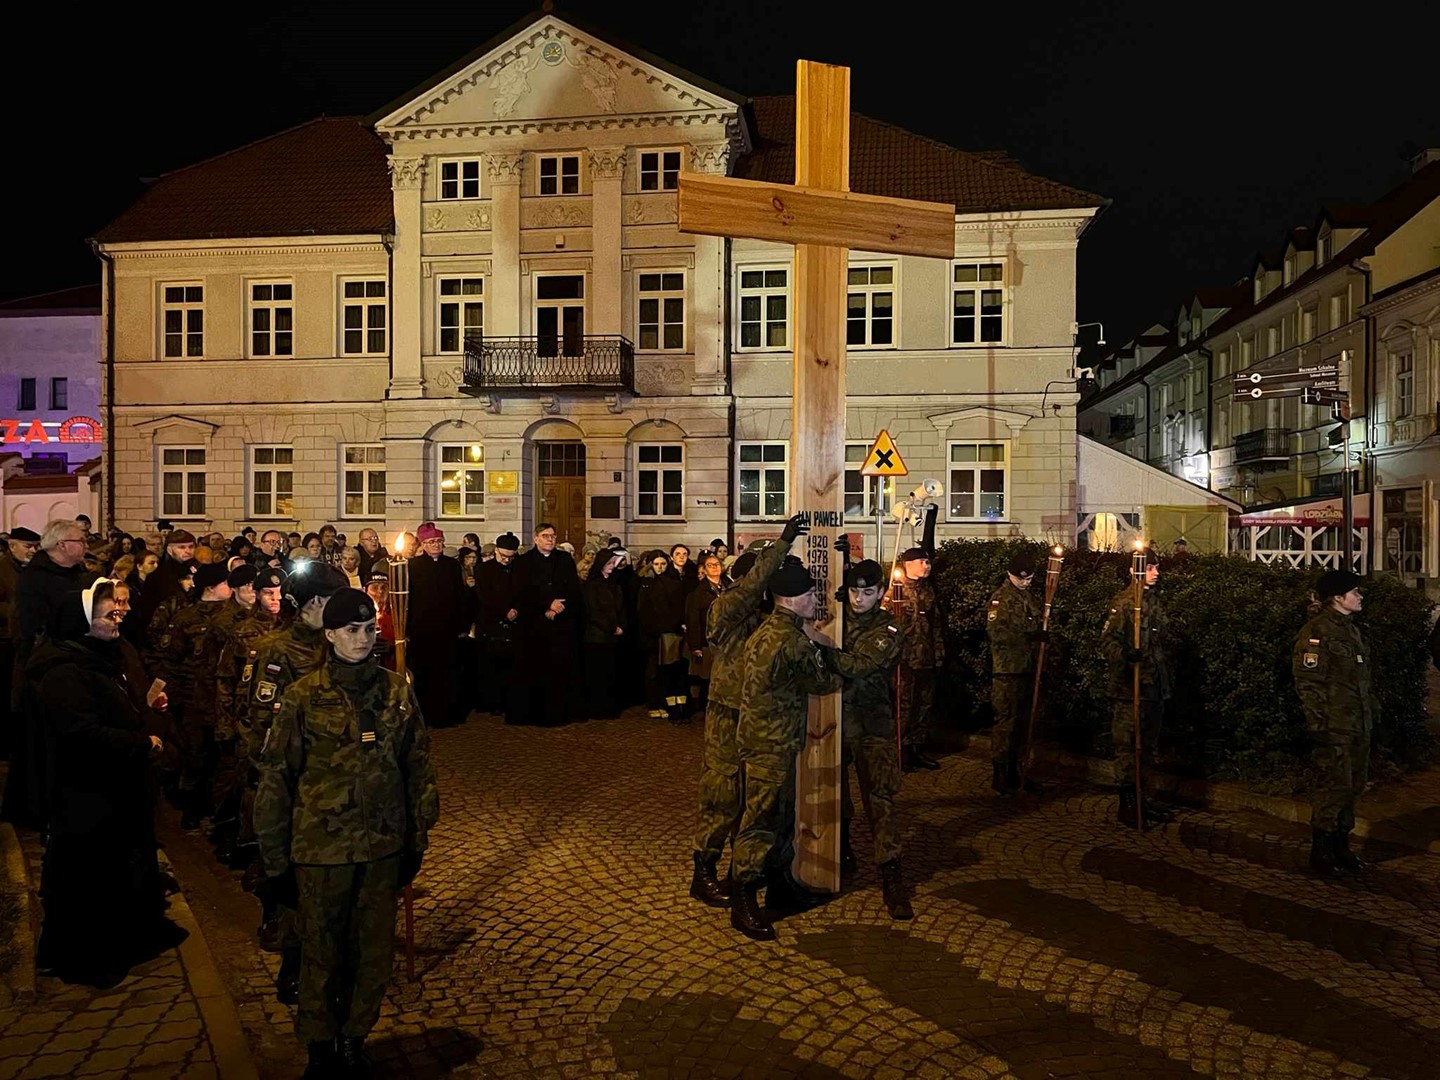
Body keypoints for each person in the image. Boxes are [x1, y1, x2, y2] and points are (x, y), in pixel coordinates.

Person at [254, 588, 439, 1078]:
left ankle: (355, 1040)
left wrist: (416, 839)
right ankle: (319, 1048)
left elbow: (417, 767)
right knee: (320, 954)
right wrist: (275, 864)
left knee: (372, 955)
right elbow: (276, 780)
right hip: (319, 852)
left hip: (380, 849)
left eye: (369, 629)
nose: (362, 639)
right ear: (331, 634)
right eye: (351, 630)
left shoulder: (396, 691)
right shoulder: (302, 695)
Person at [30, 580, 182, 987]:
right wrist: (138, 741)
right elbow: (80, 731)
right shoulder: (63, 670)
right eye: (109, 614)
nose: (118, 617)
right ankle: (87, 955)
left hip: (119, 783)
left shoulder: (106, 655)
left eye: (117, 611)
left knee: (123, 866)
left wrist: (147, 707)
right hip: (86, 790)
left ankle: (127, 938)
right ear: (81, 620)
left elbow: (124, 699)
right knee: (88, 878)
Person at [243, 561, 349, 1001]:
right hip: (300, 781)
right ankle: (295, 961)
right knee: (296, 878)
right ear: (308, 606)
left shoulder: (341, 645)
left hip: (341, 776)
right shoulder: (277, 651)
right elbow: (262, 723)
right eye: (328, 603)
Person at [689, 516, 803, 912]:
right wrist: (783, 542)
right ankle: (703, 871)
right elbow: (752, 586)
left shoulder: (769, 615)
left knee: (759, 803)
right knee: (721, 795)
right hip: (727, 714)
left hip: (758, 718)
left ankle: (755, 869)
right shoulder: (726, 607)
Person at [730, 554, 840, 941]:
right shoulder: (791, 639)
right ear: (794, 598)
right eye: (812, 593)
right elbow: (823, 682)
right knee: (761, 823)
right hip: (771, 745)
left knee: (778, 819)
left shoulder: (765, 631)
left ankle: (780, 886)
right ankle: (742, 897)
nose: (816, 599)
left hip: (764, 741)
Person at [828, 559, 911, 919]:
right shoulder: (836, 619)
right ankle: (842, 851)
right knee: (835, 795)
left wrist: (822, 646)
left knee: (880, 802)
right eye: (852, 591)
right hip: (837, 724)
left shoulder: (890, 626)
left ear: (879, 593)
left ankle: (891, 874)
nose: (858, 599)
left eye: (866, 592)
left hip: (872, 728)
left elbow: (860, 665)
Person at [3, 519, 96, 827]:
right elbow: (32, 627)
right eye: (80, 541)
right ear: (60, 546)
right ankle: (39, 809)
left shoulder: (77, 575)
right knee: (42, 744)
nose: (85, 546)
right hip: (45, 669)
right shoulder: (35, 579)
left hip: (77, 664)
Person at [1293, 569, 1375, 878]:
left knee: (1352, 786)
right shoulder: (1317, 633)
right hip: (1334, 725)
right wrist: (1319, 724)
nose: (1360, 597)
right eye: (1355, 593)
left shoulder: (1352, 631)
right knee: (1333, 787)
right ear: (1338, 598)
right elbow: (1308, 682)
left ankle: (1342, 843)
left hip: (1357, 724)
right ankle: (1322, 848)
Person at [1100, 547, 1171, 828]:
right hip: (1130, 689)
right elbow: (1108, 642)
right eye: (1150, 568)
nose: (1156, 573)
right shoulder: (1125, 603)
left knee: (1148, 748)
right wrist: (1127, 656)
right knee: (1129, 748)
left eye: (1157, 567)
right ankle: (1128, 803)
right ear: (1135, 570)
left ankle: (1142, 798)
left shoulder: (1152, 602)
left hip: (1154, 686)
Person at [162, 561, 233, 829]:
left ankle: (217, 811)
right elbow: (170, 660)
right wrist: (176, 699)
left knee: (222, 758)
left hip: (222, 696)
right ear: (211, 587)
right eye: (226, 583)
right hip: (194, 698)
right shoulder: (186, 618)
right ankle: (190, 807)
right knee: (195, 755)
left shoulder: (232, 617)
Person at [985, 549, 1042, 795]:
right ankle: (1001, 772)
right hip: (1007, 670)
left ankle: (1017, 769)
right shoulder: (1000, 599)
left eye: (1029, 579)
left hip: (1027, 667)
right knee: (1006, 723)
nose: (1025, 583)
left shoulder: (1028, 598)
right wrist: (1026, 637)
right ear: (1010, 575)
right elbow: (997, 633)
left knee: (1022, 723)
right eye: (1021, 579)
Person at [513, 522, 582, 726]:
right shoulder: (524, 562)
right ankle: (537, 714)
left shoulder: (564, 559)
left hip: (561, 622)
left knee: (560, 670)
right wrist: (546, 605)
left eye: (552, 536)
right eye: (545, 536)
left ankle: (561, 712)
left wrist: (558, 607)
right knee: (537, 670)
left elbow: (573, 587)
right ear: (536, 539)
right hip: (535, 624)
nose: (550, 539)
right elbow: (522, 591)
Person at [893, 503, 944, 772]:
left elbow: (934, 625)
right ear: (908, 564)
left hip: (925, 659)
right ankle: (900, 751)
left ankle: (916, 748)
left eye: (927, 561)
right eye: (922, 561)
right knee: (904, 706)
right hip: (904, 661)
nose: (927, 565)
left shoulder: (927, 591)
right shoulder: (897, 591)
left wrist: (938, 654)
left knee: (923, 706)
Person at [407, 522, 473, 728]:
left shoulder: (451, 565)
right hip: (422, 629)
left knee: (449, 672)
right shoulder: (413, 567)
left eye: (439, 541)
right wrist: (407, 628)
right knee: (425, 674)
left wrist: (463, 623)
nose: (436, 545)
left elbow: (459, 596)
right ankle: (425, 714)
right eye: (432, 542)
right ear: (423, 544)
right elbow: (408, 598)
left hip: (447, 628)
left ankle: (449, 713)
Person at [0, 526, 39, 757]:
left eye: (35, 546)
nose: (32, 551)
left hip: (25, 641)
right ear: (12, 545)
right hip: (5, 642)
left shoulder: (30, 570)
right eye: (27, 546)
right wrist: (17, 608)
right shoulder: (3, 570)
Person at [475, 533, 522, 717]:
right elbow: (484, 596)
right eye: (504, 556)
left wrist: (516, 609)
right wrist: (504, 611)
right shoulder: (484, 570)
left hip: (515, 622)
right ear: (496, 551)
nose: (507, 560)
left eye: (511, 557)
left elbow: (524, 591)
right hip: (491, 623)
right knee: (491, 666)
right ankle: (492, 702)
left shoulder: (519, 569)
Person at [638, 551, 687, 721]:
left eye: (663, 564)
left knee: (665, 670)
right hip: (651, 633)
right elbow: (643, 610)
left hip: (667, 631)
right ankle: (653, 703)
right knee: (652, 670)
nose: (660, 568)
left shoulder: (671, 582)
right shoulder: (645, 583)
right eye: (656, 564)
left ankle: (664, 702)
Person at [581, 548, 627, 719]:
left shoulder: (614, 583)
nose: (611, 566)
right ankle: (597, 708)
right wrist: (611, 627)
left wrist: (621, 625)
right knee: (597, 675)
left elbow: (621, 607)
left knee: (610, 674)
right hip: (597, 636)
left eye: (613, 563)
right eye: (608, 563)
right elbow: (594, 612)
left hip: (612, 637)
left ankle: (609, 707)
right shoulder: (592, 586)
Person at [131, 528, 197, 637]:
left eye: (191, 547)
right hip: (166, 632)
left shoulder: (199, 571)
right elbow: (146, 612)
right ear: (170, 550)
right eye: (182, 547)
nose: (187, 551)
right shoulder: (158, 576)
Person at [685, 552, 725, 720]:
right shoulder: (698, 593)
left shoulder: (729, 587)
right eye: (710, 565)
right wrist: (695, 646)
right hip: (708, 639)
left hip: (727, 640)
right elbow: (693, 620)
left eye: (717, 564)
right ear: (704, 569)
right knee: (707, 677)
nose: (715, 567)